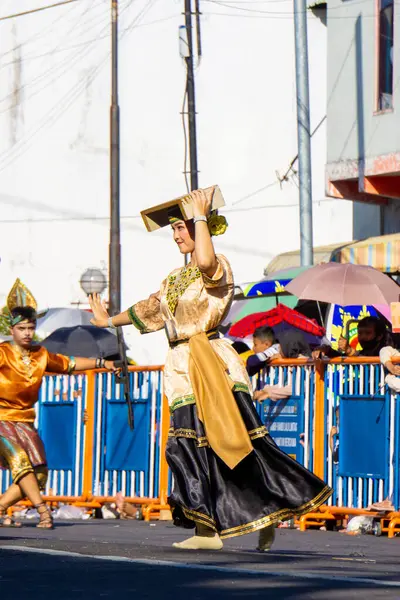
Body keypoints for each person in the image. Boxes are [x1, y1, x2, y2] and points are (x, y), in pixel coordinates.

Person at [89, 187, 332, 552]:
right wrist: (109, 319)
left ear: (200, 228)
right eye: (173, 230)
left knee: (234, 444)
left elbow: (205, 263)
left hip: (211, 364)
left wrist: (201, 216)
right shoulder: (173, 279)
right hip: (181, 368)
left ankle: (247, 518)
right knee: (193, 447)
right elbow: (149, 311)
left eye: (181, 228)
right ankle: (229, 523)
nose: (176, 236)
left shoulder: (217, 266)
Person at [0, 291, 118, 529]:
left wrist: (102, 363)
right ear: (12, 330)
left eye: (30, 328)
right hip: (1, 420)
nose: (26, 333)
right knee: (21, 461)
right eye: (21, 328)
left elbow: (70, 364)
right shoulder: (2, 353)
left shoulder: (40, 355)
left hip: (24, 421)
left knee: (40, 472)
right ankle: (43, 511)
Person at [254, 330, 311, 403]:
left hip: (309, 410)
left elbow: (296, 387)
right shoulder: (293, 362)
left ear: (289, 347)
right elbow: (283, 385)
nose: (278, 350)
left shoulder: (305, 363)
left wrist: (269, 393)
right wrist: (264, 391)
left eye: (281, 347)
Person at [312, 316, 391, 359]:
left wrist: (349, 350)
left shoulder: (386, 351)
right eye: (360, 333)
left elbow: (366, 360)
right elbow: (343, 357)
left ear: (379, 336)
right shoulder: (365, 351)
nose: (363, 337)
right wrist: (326, 350)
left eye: (368, 333)